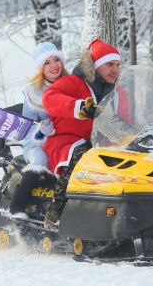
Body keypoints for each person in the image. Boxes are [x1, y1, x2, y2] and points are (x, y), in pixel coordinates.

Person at [42, 39, 131, 230]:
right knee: (83, 156)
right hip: (68, 140)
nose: (115, 70)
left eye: (117, 65)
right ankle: (56, 210)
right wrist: (79, 107)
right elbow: (49, 98)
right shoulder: (73, 83)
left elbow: (126, 123)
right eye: (109, 65)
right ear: (97, 66)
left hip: (102, 144)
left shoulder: (119, 94)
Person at [9, 42, 68, 215]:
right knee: (41, 161)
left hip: (63, 140)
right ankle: (17, 207)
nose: (53, 66)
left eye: (56, 60)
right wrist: (41, 132)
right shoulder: (33, 92)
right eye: (47, 62)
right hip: (36, 143)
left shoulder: (71, 84)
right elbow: (27, 126)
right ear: (40, 68)